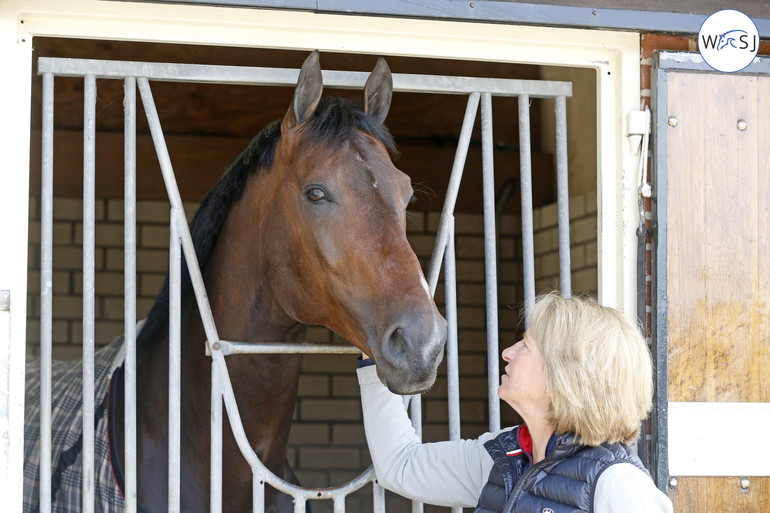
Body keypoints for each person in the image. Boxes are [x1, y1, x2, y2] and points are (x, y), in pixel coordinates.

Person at [357, 292, 673, 513]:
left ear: (565, 373)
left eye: (526, 345)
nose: (508, 352)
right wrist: (375, 357)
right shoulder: (501, 457)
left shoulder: (618, 486)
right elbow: (402, 466)